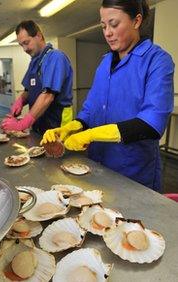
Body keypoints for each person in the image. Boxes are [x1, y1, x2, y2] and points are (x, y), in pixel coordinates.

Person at [41, 0, 174, 192]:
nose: (107, 33)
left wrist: (92, 134)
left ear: (136, 21)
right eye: (103, 26)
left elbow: (152, 124)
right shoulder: (104, 63)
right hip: (97, 166)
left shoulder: (157, 61)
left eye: (114, 24)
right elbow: (90, 109)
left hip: (134, 172)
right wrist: (71, 128)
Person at [1, 20, 73, 134]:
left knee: (57, 151)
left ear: (39, 36)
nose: (24, 49)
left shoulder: (56, 57)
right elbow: (29, 90)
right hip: (39, 123)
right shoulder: (34, 61)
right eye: (21, 45)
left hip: (57, 124)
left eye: (26, 42)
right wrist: (20, 101)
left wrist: (22, 124)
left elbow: (47, 96)